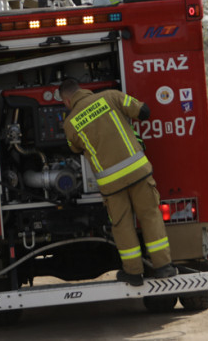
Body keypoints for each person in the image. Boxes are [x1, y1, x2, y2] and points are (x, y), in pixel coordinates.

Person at [59, 79, 175, 285]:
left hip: (111, 184)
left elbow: (74, 148)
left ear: (67, 101)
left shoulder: (70, 123)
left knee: (122, 225)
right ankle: (163, 267)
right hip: (138, 172)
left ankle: (133, 273)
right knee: (150, 216)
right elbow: (143, 111)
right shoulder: (111, 96)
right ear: (83, 90)